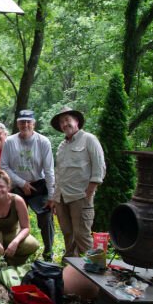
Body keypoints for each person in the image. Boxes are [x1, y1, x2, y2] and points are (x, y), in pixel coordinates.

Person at [0, 110, 56, 261]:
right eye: (22, 122)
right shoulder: (10, 141)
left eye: (28, 122)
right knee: (10, 217)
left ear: (34, 123)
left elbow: (49, 170)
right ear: (18, 123)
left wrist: (52, 195)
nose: (25, 125)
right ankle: (9, 251)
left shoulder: (43, 141)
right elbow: (4, 166)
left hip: (39, 184)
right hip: (18, 185)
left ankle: (49, 253)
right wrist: (22, 183)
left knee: (46, 218)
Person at [50, 106, 106, 257]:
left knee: (82, 235)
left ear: (77, 121)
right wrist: (55, 199)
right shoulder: (62, 146)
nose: (64, 124)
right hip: (62, 197)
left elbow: (99, 168)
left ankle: (93, 270)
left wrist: (89, 192)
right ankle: (69, 267)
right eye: (61, 122)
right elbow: (59, 173)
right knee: (68, 234)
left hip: (80, 197)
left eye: (67, 119)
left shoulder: (89, 139)